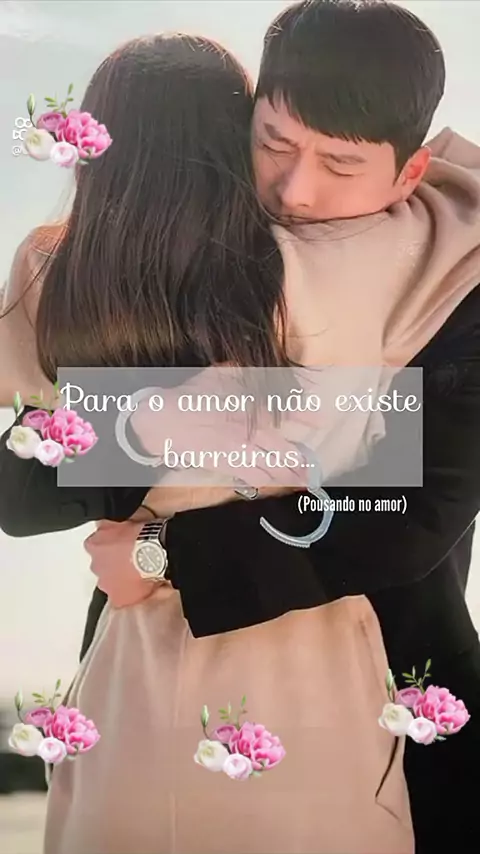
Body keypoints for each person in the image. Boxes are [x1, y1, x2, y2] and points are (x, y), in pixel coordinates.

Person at [1, 1, 480, 851]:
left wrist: (162, 554)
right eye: (274, 144)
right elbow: (21, 489)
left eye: (340, 163)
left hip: (394, 690)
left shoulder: (451, 271)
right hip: (145, 689)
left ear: (408, 173)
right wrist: (141, 424)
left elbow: (413, 508)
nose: (296, 189)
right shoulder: (168, 268)